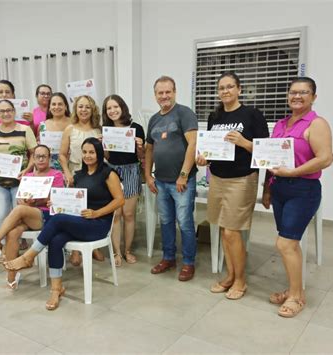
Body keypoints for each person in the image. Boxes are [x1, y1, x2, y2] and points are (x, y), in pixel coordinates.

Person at [4, 137, 124, 310]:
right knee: (55, 239)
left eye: (92, 152)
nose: (88, 156)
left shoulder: (108, 173)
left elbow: (119, 200)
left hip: (98, 224)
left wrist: (97, 212)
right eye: (84, 152)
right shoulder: (79, 176)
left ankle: (29, 256)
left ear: (98, 153)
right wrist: (58, 204)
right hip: (81, 221)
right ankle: (56, 289)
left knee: (58, 219)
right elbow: (73, 201)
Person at [262, 77, 332, 317]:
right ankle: (294, 289)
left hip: (303, 189)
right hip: (280, 188)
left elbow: (325, 158)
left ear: (313, 96)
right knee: (289, 243)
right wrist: (267, 189)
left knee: (286, 243)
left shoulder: (317, 124)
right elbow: (269, 159)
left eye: (304, 92)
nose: (297, 96)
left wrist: (293, 171)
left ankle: (297, 297)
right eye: (293, 92)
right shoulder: (282, 124)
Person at [196, 71, 269, 299]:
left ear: (239, 89)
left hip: (242, 179)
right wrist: (204, 158)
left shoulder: (252, 115)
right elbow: (212, 149)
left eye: (229, 87)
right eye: (221, 88)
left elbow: (266, 152)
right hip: (217, 178)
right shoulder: (214, 117)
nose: (225, 91)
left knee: (231, 231)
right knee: (223, 230)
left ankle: (240, 280)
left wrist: (244, 142)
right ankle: (230, 275)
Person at [0, 145, 64, 290]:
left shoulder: (56, 174)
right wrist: (26, 201)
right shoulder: (28, 177)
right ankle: (11, 276)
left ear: (49, 158)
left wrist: (36, 201)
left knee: (19, 209)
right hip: (28, 214)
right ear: (32, 159)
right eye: (37, 156)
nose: (40, 159)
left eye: (43, 156)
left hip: (46, 216)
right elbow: (20, 199)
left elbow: (56, 198)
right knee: (13, 232)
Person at [145, 75, 198, 281]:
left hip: (181, 181)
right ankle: (168, 258)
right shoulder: (154, 119)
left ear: (174, 92)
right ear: (155, 95)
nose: (164, 96)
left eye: (168, 92)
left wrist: (183, 175)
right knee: (166, 221)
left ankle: (188, 262)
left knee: (184, 222)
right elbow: (149, 149)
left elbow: (192, 145)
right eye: (160, 93)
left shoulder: (185, 113)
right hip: (161, 181)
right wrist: (148, 175)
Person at [0, 99, 37, 234]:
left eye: (9, 110)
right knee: (1, 216)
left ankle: (17, 243)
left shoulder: (25, 129)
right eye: (2, 111)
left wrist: (26, 170)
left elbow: (35, 153)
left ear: (14, 112)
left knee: (19, 216)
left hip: (20, 181)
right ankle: (3, 247)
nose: (6, 114)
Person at [59, 95, 104, 265]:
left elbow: (104, 155)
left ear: (92, 109)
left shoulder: (98, 130)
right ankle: (76, 250)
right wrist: (67, 173)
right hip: (75, 170)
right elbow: (62, 155)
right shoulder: (69, 129)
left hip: (95, 173)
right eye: (80, 107)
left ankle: (94, 246)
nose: (83, 110)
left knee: (94, 207)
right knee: (75, 211)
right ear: (75, 109)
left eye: (87, 107)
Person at [102, 94, 145, 266]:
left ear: (122, 107)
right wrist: (103, 146)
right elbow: (107, 156)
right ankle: (116, 252)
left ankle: (128, 250)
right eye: (109, 108)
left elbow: (141, 156)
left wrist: (139, 147)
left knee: (128, 214)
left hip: (131, 170)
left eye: (115, 107)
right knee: (116, 214)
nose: (113, 111)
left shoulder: (137, 128)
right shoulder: (106, 129)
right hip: (112, 172)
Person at [38, 92, 71, 171]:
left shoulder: (73, 124)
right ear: (49, 107)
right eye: (53, 104)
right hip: (47, 168)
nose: (56, 107)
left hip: (69, 167)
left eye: (60, 104)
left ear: (65, 106)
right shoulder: (42, 126)